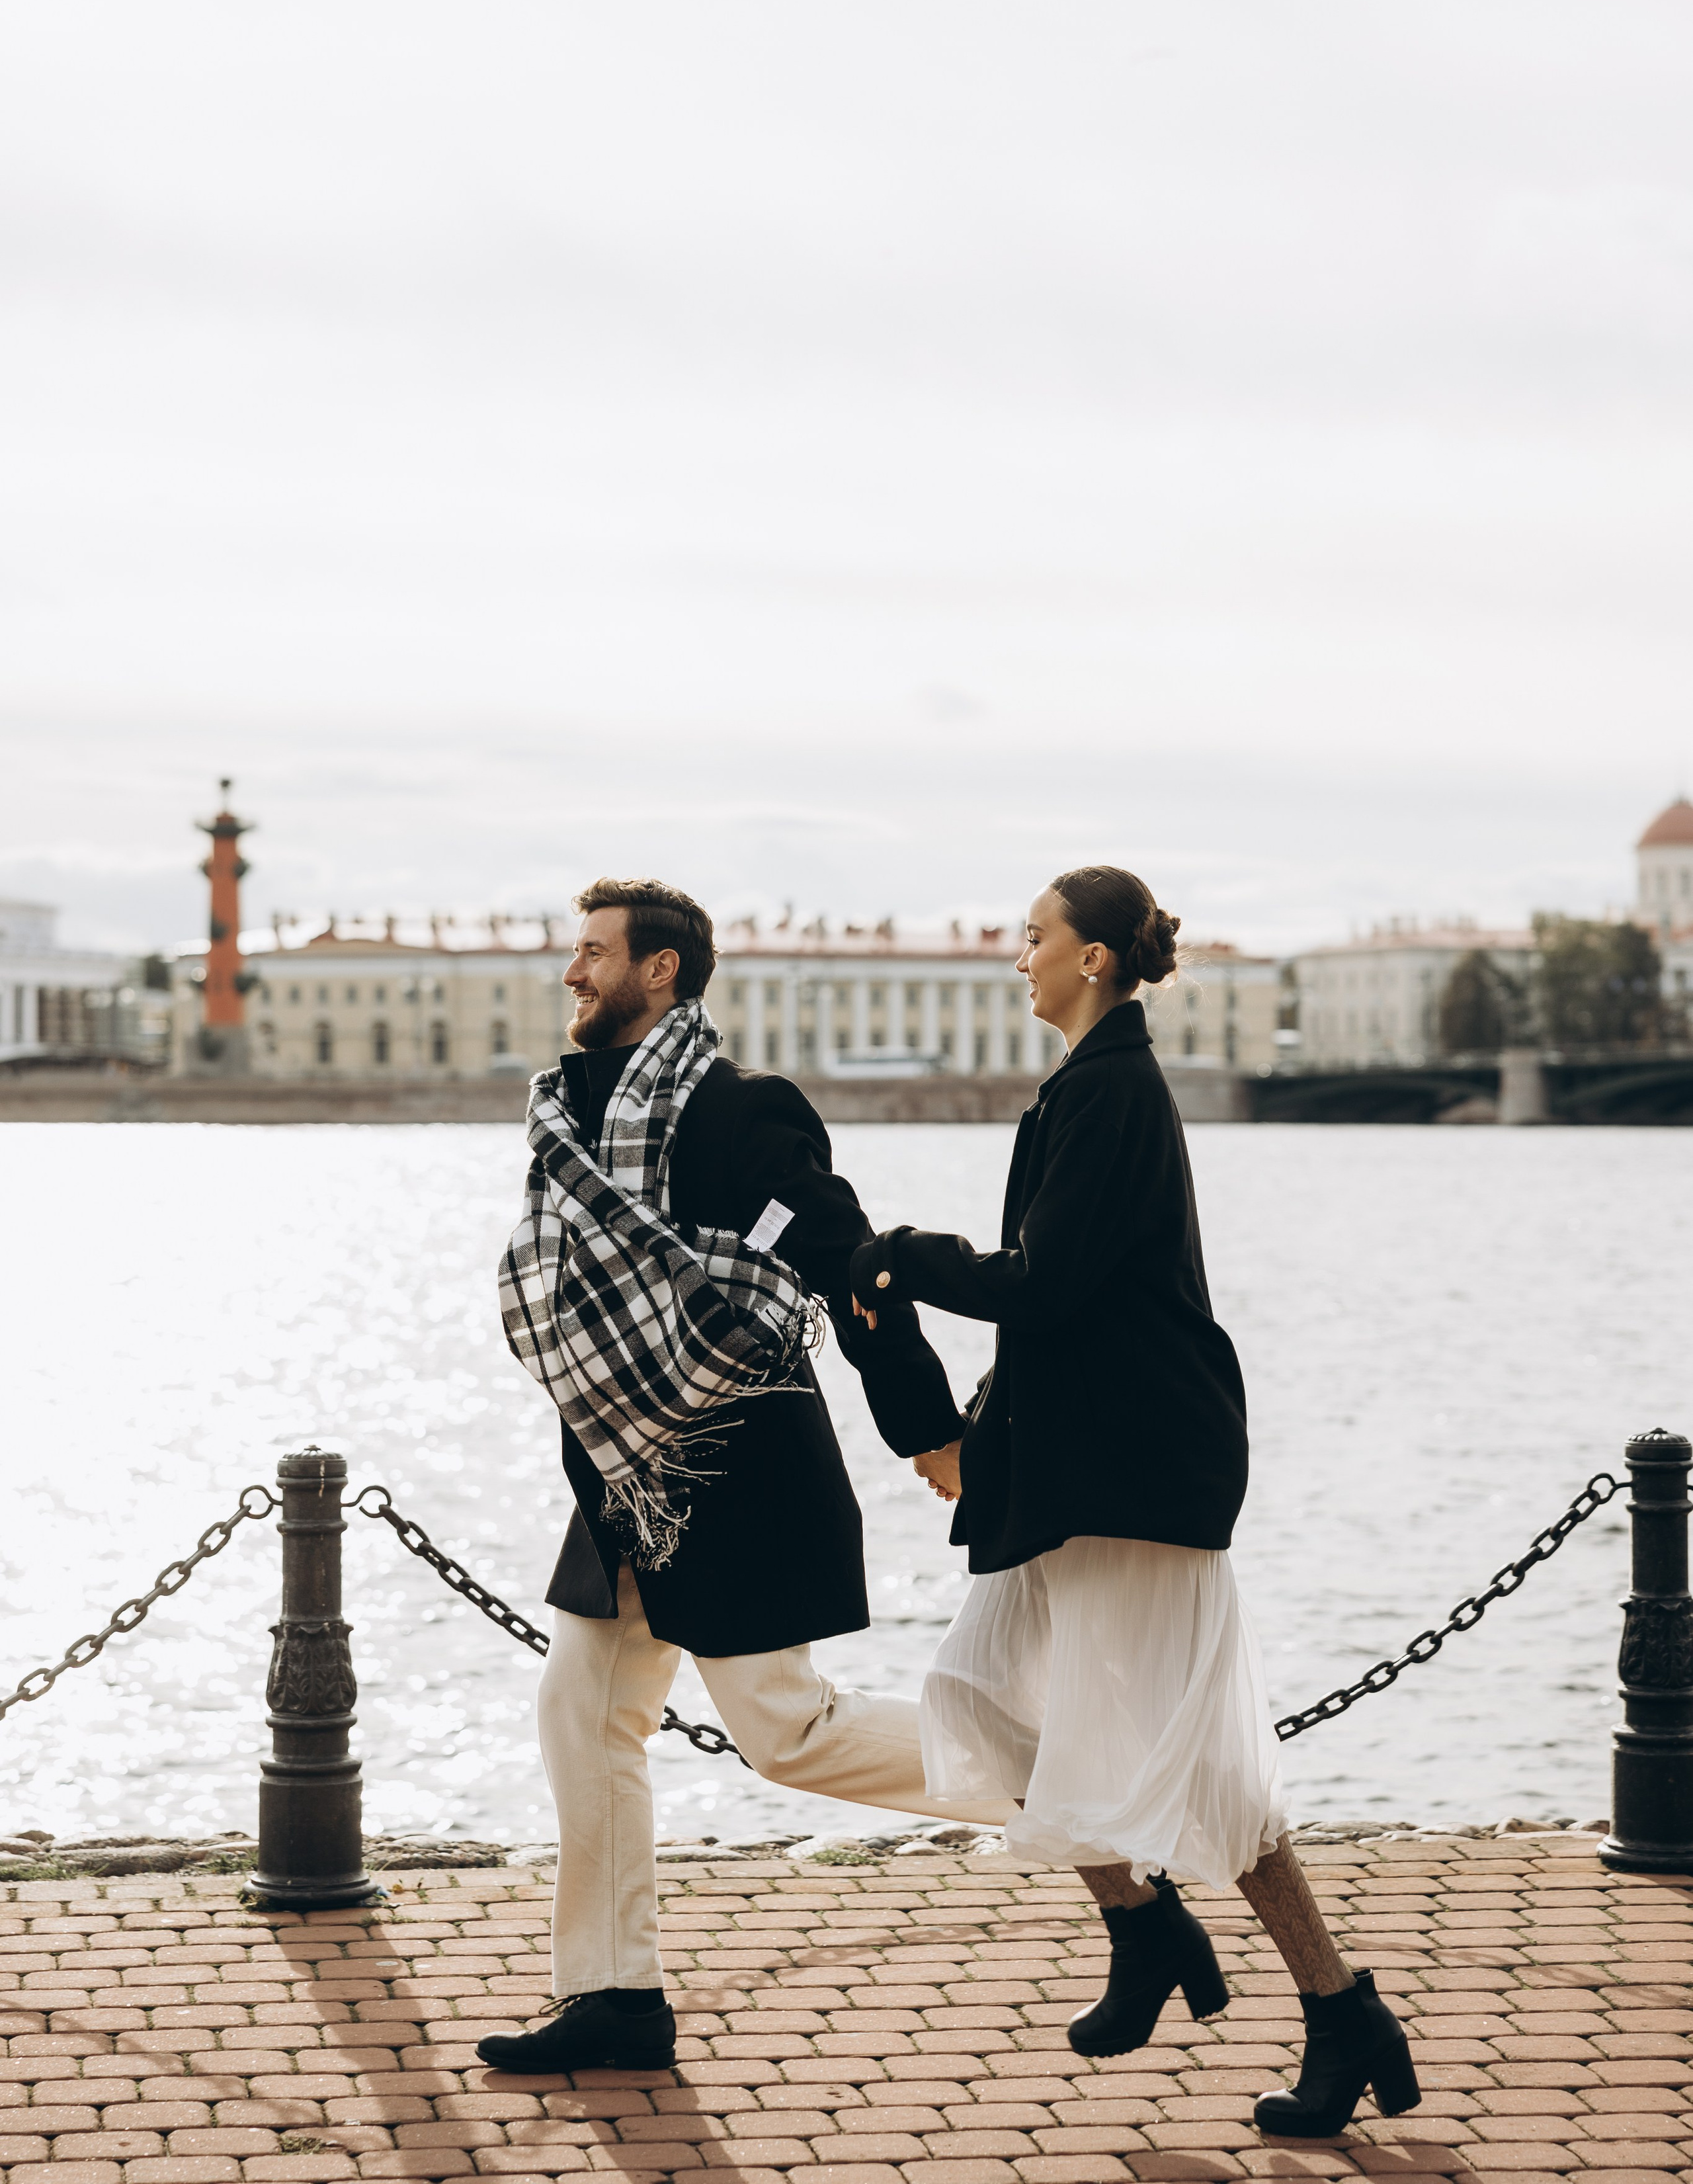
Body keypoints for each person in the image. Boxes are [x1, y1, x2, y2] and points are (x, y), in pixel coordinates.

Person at [848, 865, 1423, 2140]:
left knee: (1206, 1764)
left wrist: (909, 1255)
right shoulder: (1086, 1090)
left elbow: (1046, 1284)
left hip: (1137, 1472)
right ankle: (1147, 1923)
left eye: (1035, 937)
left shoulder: (1114, 1093)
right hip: (1075, 1468)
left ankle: (1340, 2011)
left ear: (1095, 958)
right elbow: (1067, 1305)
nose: (1020, 957)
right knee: (978, 1696)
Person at [477, 878, 1006, 2078]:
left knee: (787, 1732)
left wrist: (928, 1428)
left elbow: (847, 1264)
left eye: (594, 954)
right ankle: (614, 1996)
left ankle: (1063, 1783)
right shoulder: (567, 1114)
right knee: (583, 1710)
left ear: (660, 971)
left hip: (736, 1460)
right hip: (625, 1470)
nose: (572, 972)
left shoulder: (740, 1112)